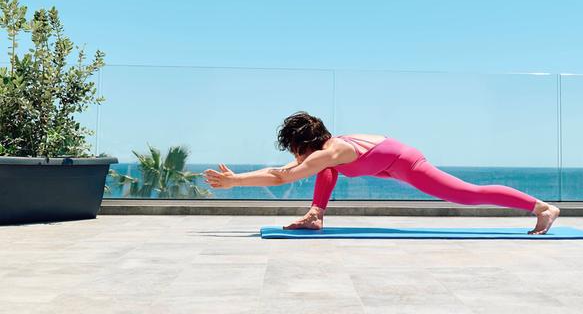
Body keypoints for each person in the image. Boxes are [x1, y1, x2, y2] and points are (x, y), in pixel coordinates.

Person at [202, 111, 560, 235]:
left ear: (306, 143)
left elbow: (282, 176)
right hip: (383, 160)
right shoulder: (327, 152)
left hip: (405, 163)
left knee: (466, 194)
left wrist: (234, 181)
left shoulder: (333, 151)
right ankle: (316, 216)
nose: (294, 155)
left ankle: (541, 207)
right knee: (327, 171)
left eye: (296, 148)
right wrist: (238, 178)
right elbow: (286, 168)